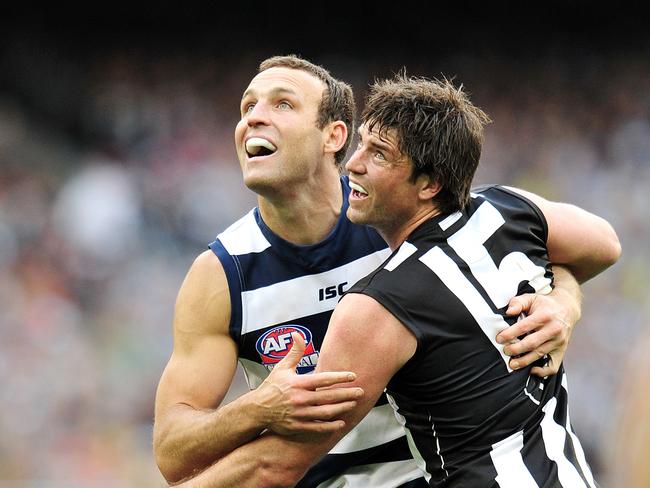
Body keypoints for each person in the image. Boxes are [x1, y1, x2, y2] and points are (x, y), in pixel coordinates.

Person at [153, 58, 620, 487]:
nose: (253, 116)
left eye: (283, 104)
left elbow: (564, 247)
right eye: (247, 105)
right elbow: (173, 454)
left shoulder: (392, 211)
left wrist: (563, 303)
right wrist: (258, 407)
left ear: (333, 136)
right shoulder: (222, 275)